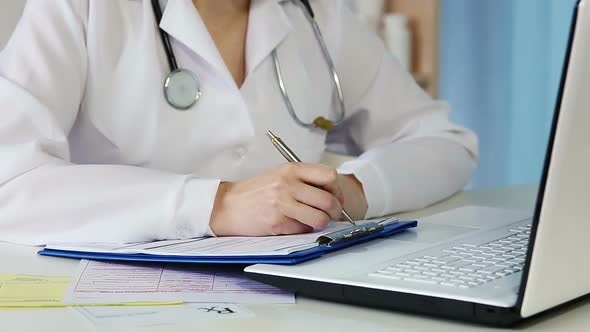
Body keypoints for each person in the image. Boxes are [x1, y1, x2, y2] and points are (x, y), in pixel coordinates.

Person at [0, 0, 478, 245]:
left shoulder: (314, 13)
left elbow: (444, 141)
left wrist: (354, 189)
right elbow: (10, 183)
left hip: (286, 303)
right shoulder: (80, 8)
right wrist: (213, 204)